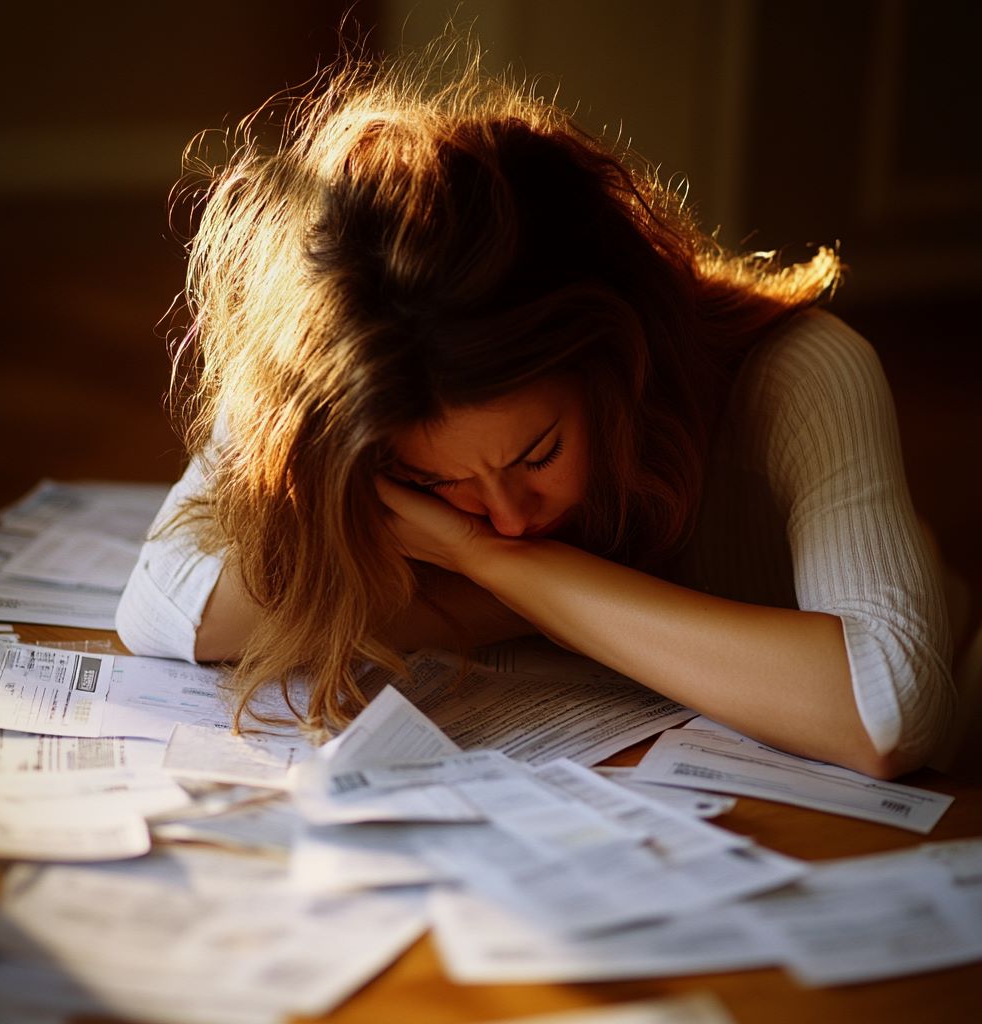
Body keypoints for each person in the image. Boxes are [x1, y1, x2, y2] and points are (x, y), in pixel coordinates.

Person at [116, 43, 954, 779]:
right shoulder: (357, 366)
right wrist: (518, 584)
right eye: (435, 482)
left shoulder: (802, 375)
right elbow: (161, 604)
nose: (509, 518)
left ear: (617, 362)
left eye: (539, 454)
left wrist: (487, 564)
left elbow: (889, 716)